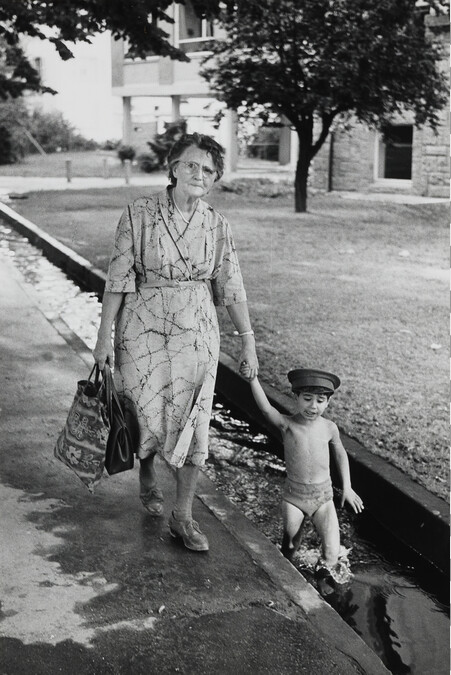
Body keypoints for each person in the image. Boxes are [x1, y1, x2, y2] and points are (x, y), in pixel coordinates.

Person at [93, 133, 258, 552]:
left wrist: (248, 341)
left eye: (207, 169)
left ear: (215, 178)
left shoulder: (217, 225)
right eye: (190, 165)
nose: (197, 174)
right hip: (140, 329)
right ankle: (147, 468)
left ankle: (183, 516)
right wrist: (103, 337)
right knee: (144, 411)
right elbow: (117, 279)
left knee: (195, 420)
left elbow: (232, 285)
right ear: (172, 167)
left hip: (196, 332)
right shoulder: (139, 213)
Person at [240, 365, 363, 572]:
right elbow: (266, 409)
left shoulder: (329, 428)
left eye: (320, 401)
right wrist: (253, 380)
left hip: (323, 496)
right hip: (294, 496)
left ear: (328, 402)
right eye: (307, 398)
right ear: (296, 397)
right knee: (289, 545)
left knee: (332, 554)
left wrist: (347, 487)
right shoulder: (287, 425)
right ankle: (286, 574)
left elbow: (340, 454)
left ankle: (324, 585)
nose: (313, 406)